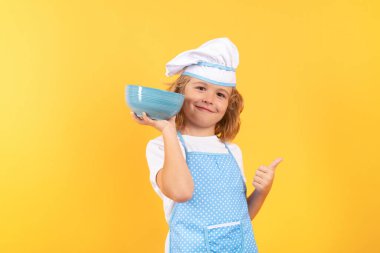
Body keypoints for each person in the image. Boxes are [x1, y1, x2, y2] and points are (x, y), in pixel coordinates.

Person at [131, 37, 283, 253]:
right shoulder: (161, 147)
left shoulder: (232, 151)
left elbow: (240, 219)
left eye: (220, 94)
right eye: (201, 88)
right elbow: (181, 192)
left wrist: (262, 191)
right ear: (180, 94)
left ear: (229, 106)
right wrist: (168, 130)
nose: (209, 98)